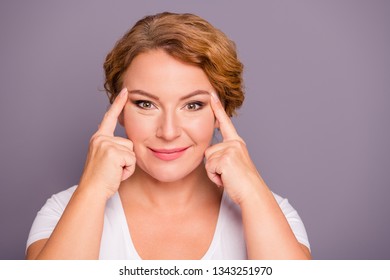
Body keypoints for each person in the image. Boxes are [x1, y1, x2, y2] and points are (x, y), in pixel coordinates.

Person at [26, 12, 311, 260]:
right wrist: (92, 190)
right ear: (119, 109)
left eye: (193, 105)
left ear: (220, 113)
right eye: (146, 104)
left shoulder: (273, 213)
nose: (169, 132)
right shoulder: (63, 211)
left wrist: (251, 190)